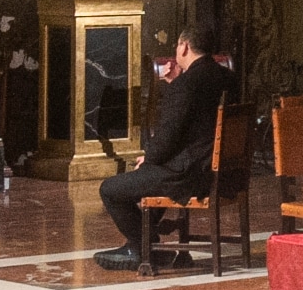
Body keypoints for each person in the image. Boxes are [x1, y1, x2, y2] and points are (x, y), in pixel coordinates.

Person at [97, 26, 239, 269]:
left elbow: (168, 137)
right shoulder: (228, 78)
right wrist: (177, 85)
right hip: (224, 172)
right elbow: (198, 125)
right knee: (149, 178)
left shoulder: (186, 85)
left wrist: (149, 159)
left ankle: (142, 247)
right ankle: (146, 246)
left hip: (190, 175)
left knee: (110, 189)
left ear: (184, 46)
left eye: (177, 45)